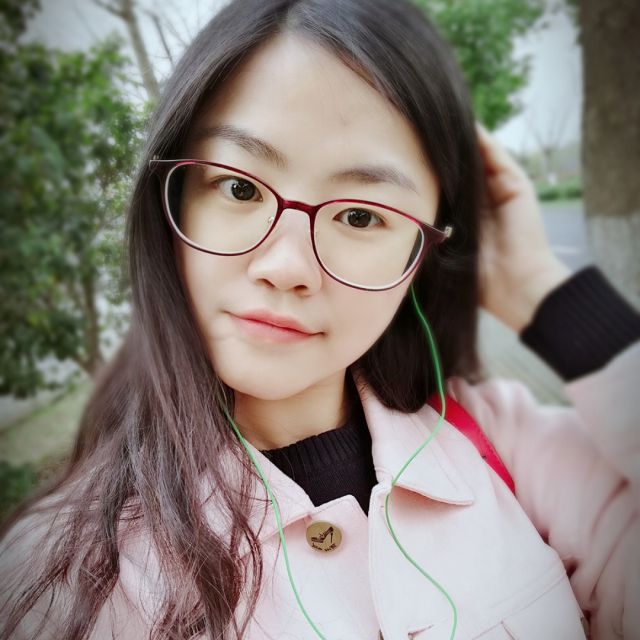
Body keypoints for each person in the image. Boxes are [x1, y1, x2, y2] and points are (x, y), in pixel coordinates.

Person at [1, 0, 639, 639]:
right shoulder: (67, 577)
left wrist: (540, 292)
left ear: (424, 252)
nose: (286, 267)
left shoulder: (505, 444)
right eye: (240, 188)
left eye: (361, 216)